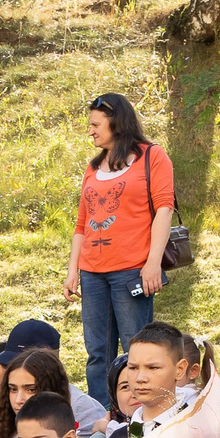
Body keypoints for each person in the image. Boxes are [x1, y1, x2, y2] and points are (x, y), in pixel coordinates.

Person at [66, 93, 178, 411]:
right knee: (97, 352)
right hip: (92, 273)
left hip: (132, 269)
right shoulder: (93, 168)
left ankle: (139, 417)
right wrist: (73, 270)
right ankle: (103, 418)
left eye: (95, 124)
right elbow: (81, 224)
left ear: (116, 121)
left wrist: (152, 262)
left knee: (137, 351)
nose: (90, 131)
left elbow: (165, 210)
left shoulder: (152, 156)